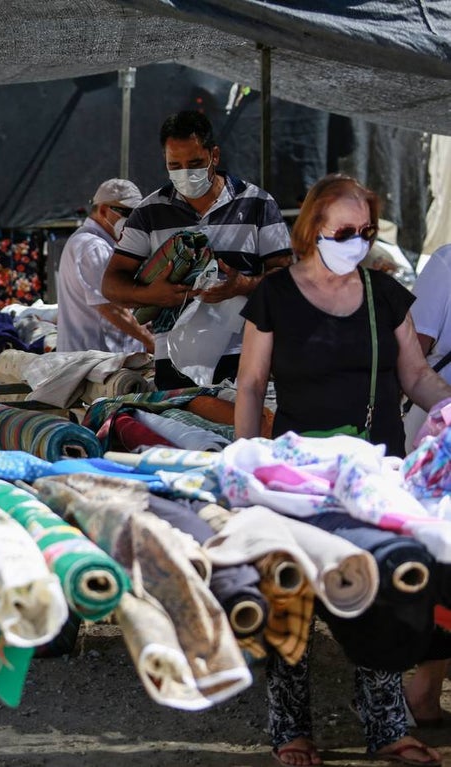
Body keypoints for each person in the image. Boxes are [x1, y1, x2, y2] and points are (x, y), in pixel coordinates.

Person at [235, 174, 451, 766]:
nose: (356, 241)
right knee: (292, 594)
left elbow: (417, 377)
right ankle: (291, 729)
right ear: (312, 229)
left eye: (365, 231)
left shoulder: (386, 295)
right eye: (343, 231)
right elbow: (251, 385)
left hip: (377, 472)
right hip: (295, 476)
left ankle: (387, 726)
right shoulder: (274, 295)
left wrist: (449, 404)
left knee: (381, 592)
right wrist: (244, 462)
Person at [102, 110, 292, 388]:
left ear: (214, 155)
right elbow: (110, 285)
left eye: (195, 163)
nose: (185, 173)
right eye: (174, 165)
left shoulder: (258, 204)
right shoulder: (149, 212)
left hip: (243, 350)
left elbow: (287, 278)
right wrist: (151, 294)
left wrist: (243, 285)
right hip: (174, 358)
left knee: (241, 428)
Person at [402, 242, 451, 728]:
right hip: (443, 431)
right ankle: (424, 689)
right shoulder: (447, 261)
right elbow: (419, 348)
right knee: (443, 561)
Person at [56, 178, 153, 354]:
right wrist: (150, 342)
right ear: (103, 210)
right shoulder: (93, 246)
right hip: (96, 364)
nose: (134, 221)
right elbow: (111, 308)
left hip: (99, 361)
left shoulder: (95, 243)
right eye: (128, 213)